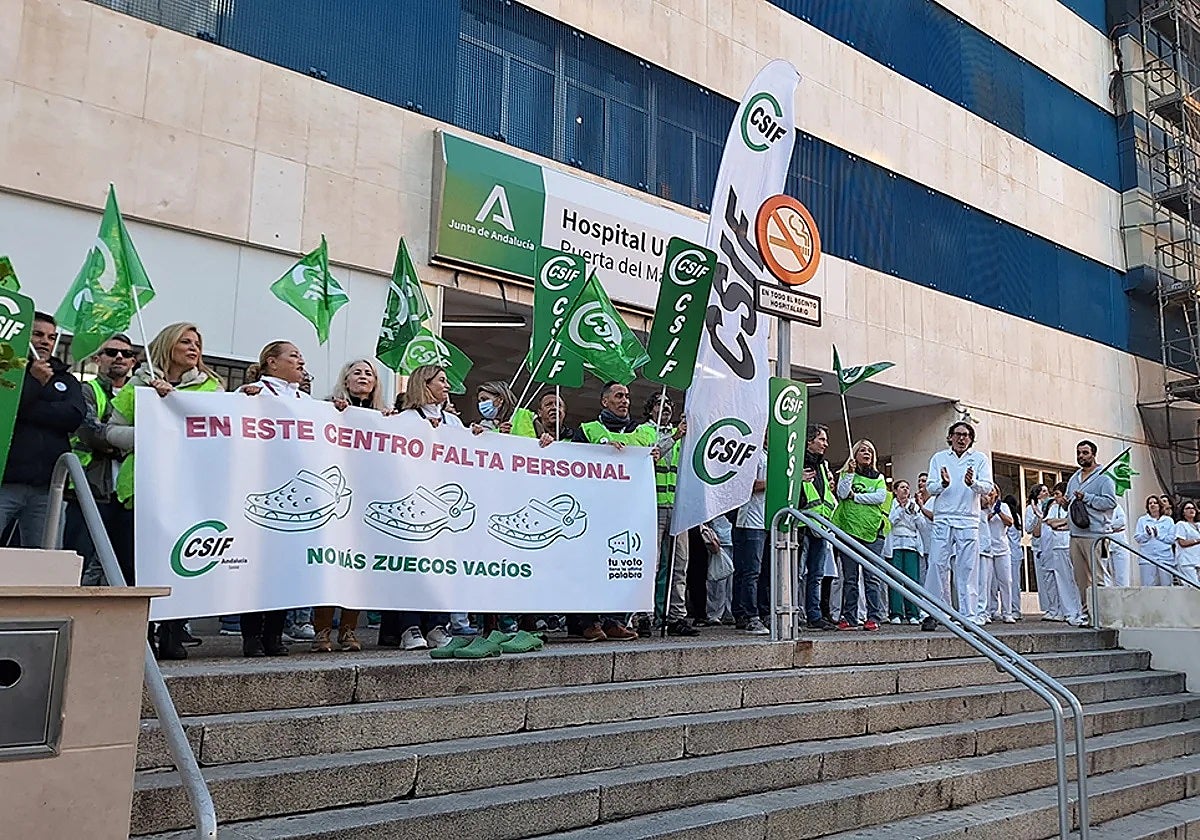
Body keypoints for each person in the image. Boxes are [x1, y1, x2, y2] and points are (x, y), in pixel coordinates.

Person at [109, 322, 224, 658]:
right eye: (185, 341)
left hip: (185, 492)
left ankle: (173, 633)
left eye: (198, 344)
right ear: (167, 345)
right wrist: (151, 432)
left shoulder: (211, 389)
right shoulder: (138, 385)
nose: (194, 348)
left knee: (179, 564)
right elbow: (112, 431)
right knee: (134, 569)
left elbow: (218, 437)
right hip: (138, 491)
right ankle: (137, 637)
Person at [377, 365, 476, 650]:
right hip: (412, 502)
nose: (447, 386)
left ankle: (436, 625)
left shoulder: (454, 423)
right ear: (425, 384)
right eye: (442, 381)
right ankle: (409, 627)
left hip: (443, 509)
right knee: (411, 568)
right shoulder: (404, 419)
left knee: (441, 568)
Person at [235, 341, 312, 657]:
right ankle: (251, 635)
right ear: (271, 362)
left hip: (294, 493)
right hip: (260, 489)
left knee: (285, 566)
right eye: (294, 355)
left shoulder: (306, 401)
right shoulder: (252, 393)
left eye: (300, 356)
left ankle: (274, 634)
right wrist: (242, 400)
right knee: (255, 567)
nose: (300, 360)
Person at [310, 358, 388, 653]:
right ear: (346, 378)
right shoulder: (327, 407)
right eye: (357, 372)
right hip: (333, 499)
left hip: (366, 501)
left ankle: (348, 630)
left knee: (357, 570)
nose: (363, 377)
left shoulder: (383, 415)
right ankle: (322, 631)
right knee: (330, 566)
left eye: (369, 373)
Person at [567, 380, 654, 641]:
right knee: (589, 567)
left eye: (627, 396)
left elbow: (649, 458)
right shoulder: (588, 430)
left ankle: (614, 620)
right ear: (604, 401)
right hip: (593, 508)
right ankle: (587, 622)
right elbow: (573, 462)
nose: (624, 400)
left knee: (618, 565)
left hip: (625, 512)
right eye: (618, 395)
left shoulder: (642, 431)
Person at [0, 312, 85, 547]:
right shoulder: (5, 374)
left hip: (47, 489)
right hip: (5, 482)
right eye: (38, 334)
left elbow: (73, 417)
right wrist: (34, 382)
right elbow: (6, 410)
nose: (45, 341)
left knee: (45, 562)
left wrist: (27, 410)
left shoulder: (67, 380)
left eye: (51, 337)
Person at [66, 334, 137, 586]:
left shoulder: (140, 393)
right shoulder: (86, 389)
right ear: (97, 359)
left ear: (133, 362)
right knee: (78, 563)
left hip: (128, 496)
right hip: (92, 489)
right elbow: (90, 432)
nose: (119, 357)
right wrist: (129, 445)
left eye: (127, 354)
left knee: (123, 568)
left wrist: (116, 438)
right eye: (111, 352)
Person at [923, 421, 994, 630]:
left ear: (970, 439)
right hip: (943, 516)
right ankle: (931, 612)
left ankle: (968, 615)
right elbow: (930, 486)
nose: (961, 438)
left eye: (966, 435)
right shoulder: (939, 458)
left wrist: (972, 483)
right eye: (958, 434)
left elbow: (987, 487)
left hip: (968, 519)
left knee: (967, 568)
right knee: (936, 564)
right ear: (950, 437)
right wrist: (943, 484)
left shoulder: (979, 459)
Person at [639, 391, 695, 637]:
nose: (666, 408)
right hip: (654, 506)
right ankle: (644, 616)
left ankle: (676, 616)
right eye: (660, 404)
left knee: (679, 565)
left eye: (669, 405)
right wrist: (674, 436)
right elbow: (648, 457)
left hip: (679, 508)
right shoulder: (643, 431)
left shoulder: (683, 435)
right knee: (652, 564)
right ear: (650, 409)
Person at [830, 439, 889, 631]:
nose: (866, 454)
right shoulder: (848, 474)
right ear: (854, 454)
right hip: (849, 530)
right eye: (862, 450)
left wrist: (857, 497)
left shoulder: (879, 477)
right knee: (850, 577)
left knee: (871, 577)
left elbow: (880, 497)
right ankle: (850, 616)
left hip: (872, 531)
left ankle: (874, 616)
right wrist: (848, 474)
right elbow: (842, 493)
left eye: (870, 451)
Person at [1065, 440, 1117, 619]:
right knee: (1080, 578)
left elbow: (1110, 502)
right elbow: (1069, 501)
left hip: (1095, 534)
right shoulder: (1074, 478)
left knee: (1098, 576)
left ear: (1093, 454)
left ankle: (1104, 614)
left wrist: (1087, 497)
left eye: (1085, 453)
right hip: (1075, 534)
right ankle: (1087, 613)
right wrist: (1065, 503)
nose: (1081, 456)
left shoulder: (1103, 478)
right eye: (1078, 453)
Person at [798, 424, 837, 630]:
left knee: (816, 574)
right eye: (822, 439)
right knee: (795, 573)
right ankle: (793, 612)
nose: (826, 444)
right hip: (800, 524)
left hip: (820, 525)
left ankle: (814, 614)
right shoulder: (796, 461)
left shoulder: (822, 466)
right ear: (809, 441)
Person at [731, 443, 769, 635]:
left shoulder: (770, 455)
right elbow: (748, 485)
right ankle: (749, 615)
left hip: (767, 521)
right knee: (750, 571)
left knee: (763, 572)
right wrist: (776, 481)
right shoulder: (752, 453)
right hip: (750, 520)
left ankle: (761, 612)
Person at [1042, 483, 1087, 625]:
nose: (1055, 498)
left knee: (1075, 579)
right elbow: (1050, 522)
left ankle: (1081, 611)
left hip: (1068, 544)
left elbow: (1072, 522)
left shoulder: (1072, 505)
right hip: (1057, 546)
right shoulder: (1054, 507)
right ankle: (1069, 612)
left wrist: (1062, 523)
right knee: (1062, 580)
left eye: (1057, 494)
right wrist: (1062, 523)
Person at [884, 479, 923, 624]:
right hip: (895, 545)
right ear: (895, 490)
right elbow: (890, 522)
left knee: (912, 580)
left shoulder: (914, 506)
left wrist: (915, 513)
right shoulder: (891, 505)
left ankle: (913, 613)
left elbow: (921, 526)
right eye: (902, 487)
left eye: (907, 487)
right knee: (895, 580)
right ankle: (896, 613)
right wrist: (901, 510)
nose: (905, 490)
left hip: (911, 545)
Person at [1024, 484, 1061, 619]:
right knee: (1044, 579)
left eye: (1047, 491)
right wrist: (1036, 514)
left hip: (1053, 545)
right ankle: (1049, 608)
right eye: (1043, 491)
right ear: (1037, 494)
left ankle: (1059, 608)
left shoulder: (1053, 506)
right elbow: (1029, 529)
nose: (1047, 493)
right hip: (1039, 547)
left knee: (1056, 577)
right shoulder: (1030, 509)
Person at [984, 489, 1016, 623]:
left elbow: (1010, 522)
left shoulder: (1003, 506)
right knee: (988, 582)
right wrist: (990, 512)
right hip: (987, 548)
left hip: (1002, 548)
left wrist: (999, 512)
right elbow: (982, 521)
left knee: (1006, 581)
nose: (990, 494)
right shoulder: (981, 507)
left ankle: (1007, 612)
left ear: (997, 493)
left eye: (992, 491)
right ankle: (989, 611)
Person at [699, 513, 734, 626]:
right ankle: (715, 613)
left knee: (727, 580)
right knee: (717, 578)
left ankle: (726, 613)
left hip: (730, 534)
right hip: (718, 535)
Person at [1134, 495, 1176, 586]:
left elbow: (1172, 538)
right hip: (1147, 558)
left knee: (1166, 585)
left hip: (1165, 558)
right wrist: (1147, 535)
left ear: (1160, 505)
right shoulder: (1142, 520)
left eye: (1155, 503)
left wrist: (1159, 536)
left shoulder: (1168, 520)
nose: (1152, 505)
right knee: (1148, 586)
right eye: (1150, 503)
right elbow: (1138, 538)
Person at [1003, 493, 1023, 618]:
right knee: (1015, 582)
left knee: (1007, 582)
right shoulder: (1018, 518)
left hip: (1009, 551)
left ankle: (1010, 609)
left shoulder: (1007, 517)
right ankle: (1016, 609)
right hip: (1017, 552)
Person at [1175, 500, 1200, 585]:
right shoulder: (1181, 524)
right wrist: (1197, 541)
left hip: (1198, 561)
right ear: (1183, 512)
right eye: (1188, 508)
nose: (1191, 510)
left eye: (1193, 508)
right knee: (1193, 587)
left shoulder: (1199, 525)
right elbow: (1182, 543)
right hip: (1187, 562)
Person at [1107, 502, 1130, 587]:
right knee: (1106, 574)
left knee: (1122, 575)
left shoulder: (1117, 506)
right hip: (1105, 542)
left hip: (1119, 541)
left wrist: (1109, 526)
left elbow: (1122, 521)